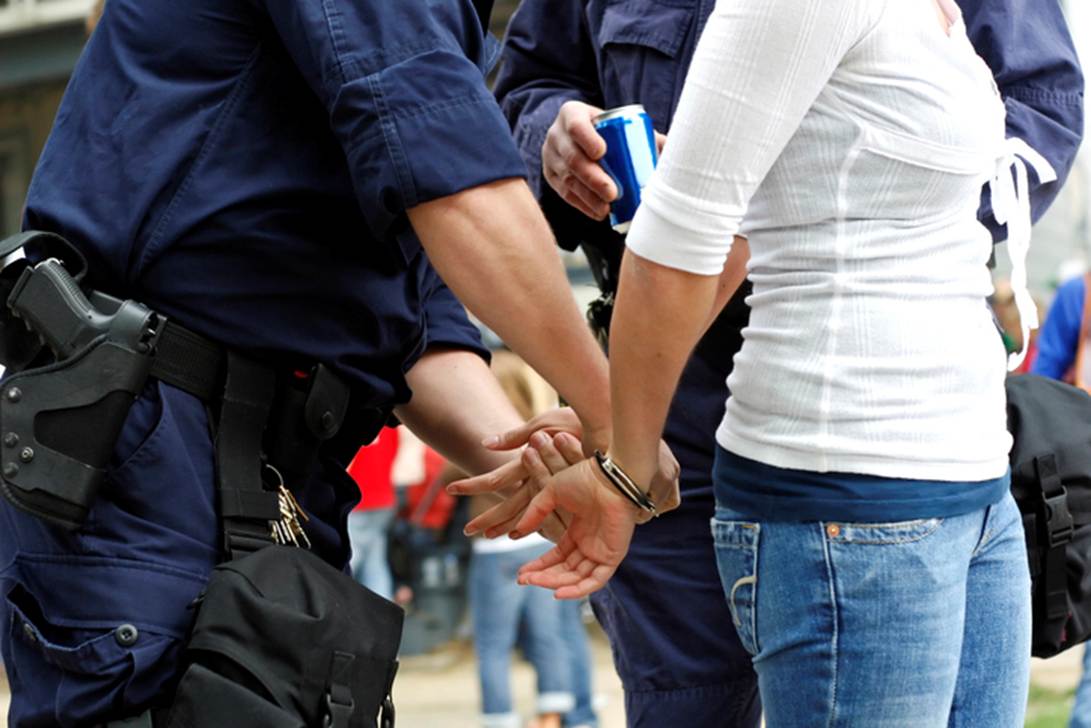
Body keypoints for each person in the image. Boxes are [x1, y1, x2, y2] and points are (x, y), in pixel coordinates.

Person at [0, 1, 669, 725]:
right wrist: (617, 429)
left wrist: (533, 458)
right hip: (153, 446)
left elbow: (413, 320)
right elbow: (458, 193)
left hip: (274, 472)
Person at [467, 0, 1085, 724]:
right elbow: (690, 237)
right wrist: (627, 455)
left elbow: (1033, 113)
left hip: (961, 474)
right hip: (840, 474)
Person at [346, 427, 400, 600]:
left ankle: (335, 610)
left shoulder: (354, 417)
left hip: (358, 499)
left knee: (348, 561)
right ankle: (383, 617)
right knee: (375, 564)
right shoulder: (385, 422)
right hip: (384, 498)